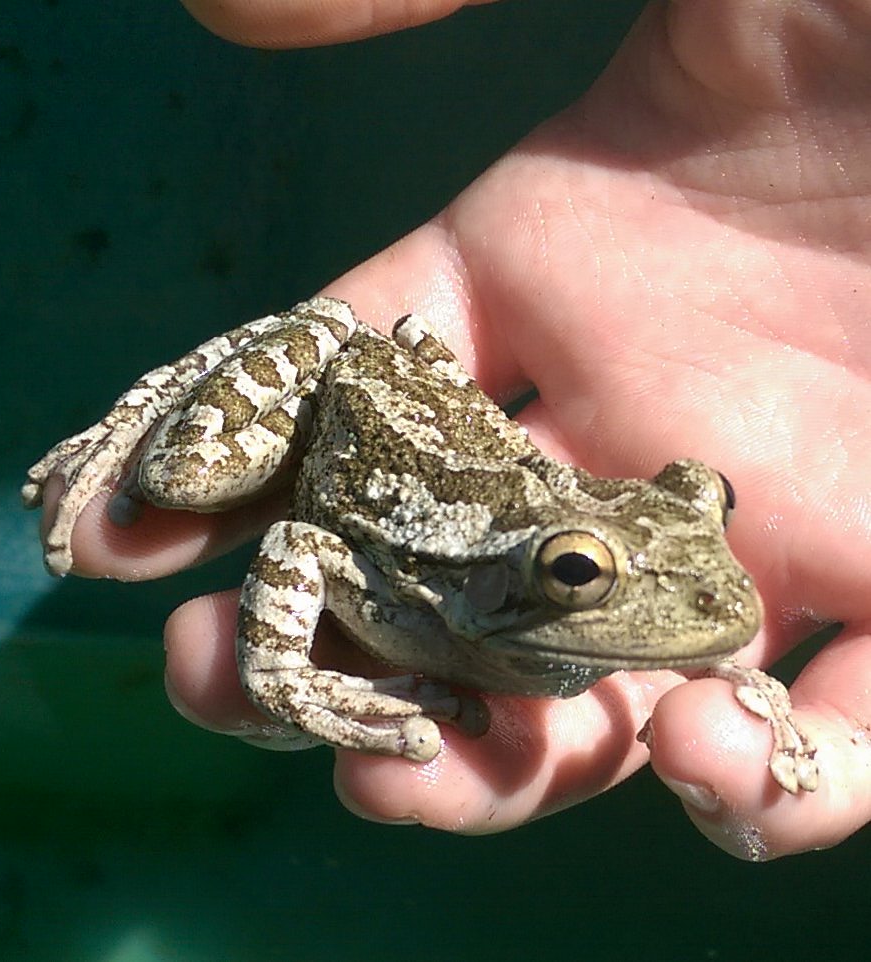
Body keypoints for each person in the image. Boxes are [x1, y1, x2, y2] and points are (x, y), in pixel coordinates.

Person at [47, 0, 871, 859]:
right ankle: (144, 405)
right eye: (579, 572)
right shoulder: (418, 589)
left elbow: (693, 597)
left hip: (470, 451)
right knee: (179, 481)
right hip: (355, 399)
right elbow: (304, 545)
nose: (722, 585)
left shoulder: (619, 591)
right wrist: (283, 669)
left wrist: (744, 677)